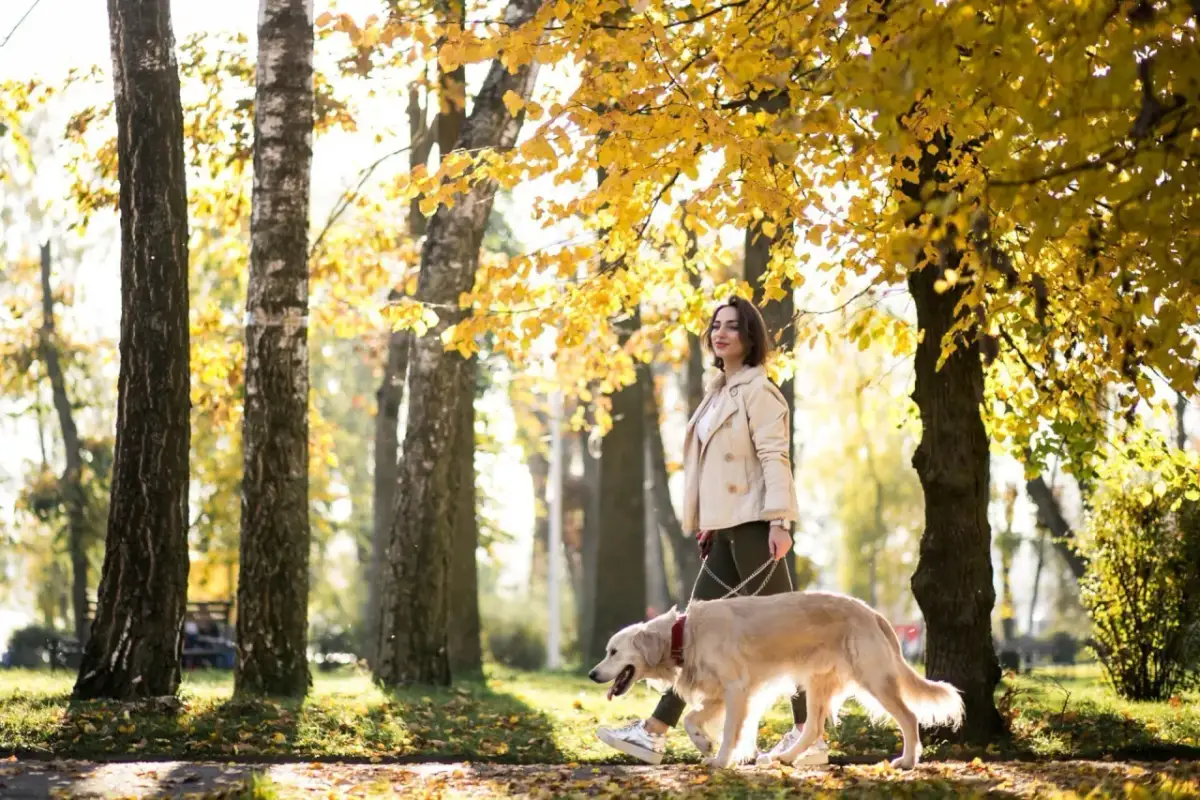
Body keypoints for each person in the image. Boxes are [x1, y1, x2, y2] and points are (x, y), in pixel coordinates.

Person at [594, 296, 829, 767]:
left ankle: (811, 736)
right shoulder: (717, 391)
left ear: (750, 337)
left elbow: (773, 459)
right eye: (716, 326)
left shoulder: (760, 391)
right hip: (724, 530)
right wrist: (707, 522)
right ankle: (652, 733)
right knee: (688, 636)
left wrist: (781, 522)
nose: (721, 334)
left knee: (790, 635)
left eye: (733, 327)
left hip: (756, 528)